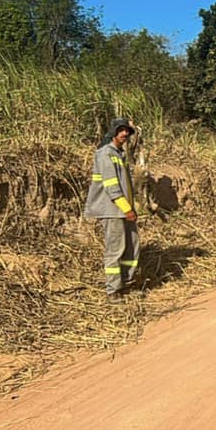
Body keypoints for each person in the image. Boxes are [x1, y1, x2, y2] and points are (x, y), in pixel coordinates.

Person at [84, 118, 140, 304]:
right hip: (113, 210)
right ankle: (113, 291)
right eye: (121, 130)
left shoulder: (119, 153)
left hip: (124, 209)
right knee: (115, 250)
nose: (125, 134)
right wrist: (126, 209)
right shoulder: (105, 154)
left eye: (127, 131)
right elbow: (112, 187)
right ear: (114, 132)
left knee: (131, 248)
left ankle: (127, 283)